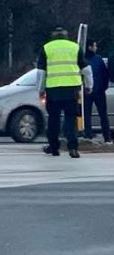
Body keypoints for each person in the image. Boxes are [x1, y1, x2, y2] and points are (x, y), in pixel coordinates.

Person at [37, 27, 90, 158]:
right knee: (70, 120)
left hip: (53, 90)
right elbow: (86, 69)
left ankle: (54, 147)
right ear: (66, 36)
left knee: (53, 120)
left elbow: (41, 72)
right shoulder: (74, 47)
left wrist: (41, 89)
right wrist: (89, 85)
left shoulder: (46, 48)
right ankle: (73, 148)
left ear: (53, 36)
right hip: (72, 89)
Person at [84, 40, 111, 143]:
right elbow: (105, 74)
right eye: (95, 46)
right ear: (90, 47)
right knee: (103, 115)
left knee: (87, 115)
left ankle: (88, 136)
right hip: (99, 91)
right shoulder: (98, 59)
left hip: (87, 92)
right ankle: (107, 137)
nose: (96, 48)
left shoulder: (83, 59)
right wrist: (103, 87)